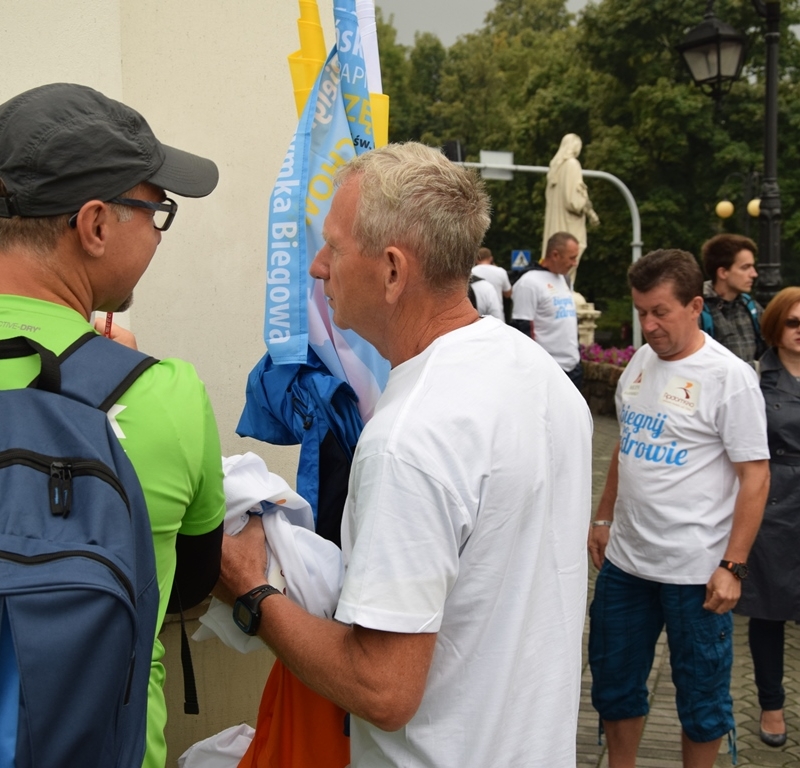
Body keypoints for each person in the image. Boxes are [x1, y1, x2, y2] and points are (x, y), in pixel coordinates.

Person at [218, 142, 592, 768]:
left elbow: (383, 689)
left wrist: (251, 590)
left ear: (392, 270)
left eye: (333, 248)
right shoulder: (541, 375)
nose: (316, 267)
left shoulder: (410, 437)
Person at [0, 83, 226, 768]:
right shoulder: (168, 395)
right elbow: (187, 589)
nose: (157, 231)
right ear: (96, 225)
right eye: (155, 210)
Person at [587, 249, 770, 768]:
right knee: (614, 682)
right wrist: (603, 518)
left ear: (694, 305)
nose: (648, 325)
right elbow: (627, 446)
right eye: (641, 311)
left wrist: (732, 565)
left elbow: (755, 476)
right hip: (626, 564)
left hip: (697, 573)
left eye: (660, 312)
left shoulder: (728, 377)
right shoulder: (641, 364)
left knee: (702, 699)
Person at [734, 286, 800, 748]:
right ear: (776, 326)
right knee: (769, 610)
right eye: (794, 322)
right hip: (776, 504)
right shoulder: (757, 378)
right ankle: (771, 704)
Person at [511, 231, 583, 389]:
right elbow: (522, 330)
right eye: (572, 258)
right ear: (555, 255)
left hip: (573, 367)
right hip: (550, 370)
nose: (575, 263)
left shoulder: (564, 279)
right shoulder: (529, 282)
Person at [541, 133, 599, 288]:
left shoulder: (556, 168)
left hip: (558, 220)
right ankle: (566, 287)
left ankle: (558, 285)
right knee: (572, 253)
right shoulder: (572, 164)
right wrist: (589, 211)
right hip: (569, 221)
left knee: (561, 255)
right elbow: (574, 201)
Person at [700, 233, 765, 366]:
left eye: (753, 267)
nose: (754, 274)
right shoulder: (697, 308)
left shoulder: (750, 307)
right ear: (723, 273)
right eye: (745, 267)